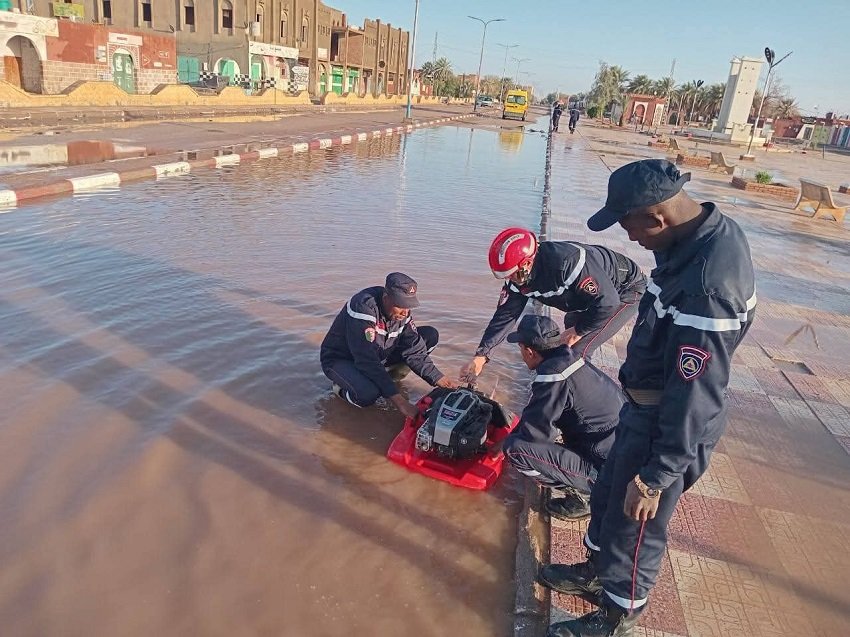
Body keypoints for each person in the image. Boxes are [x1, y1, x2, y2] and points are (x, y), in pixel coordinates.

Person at [541, 159, 756, 637]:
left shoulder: (708, 287)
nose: (628, 237)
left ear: (656, 217)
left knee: (638, 526)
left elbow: (697, 390)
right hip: (641, 410)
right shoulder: (688, 240)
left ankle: (618, 614)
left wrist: (658, 476)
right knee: (608, 497)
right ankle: (596, 574)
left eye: (628, 224)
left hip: (668, 424)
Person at [461, 228, 646, 381]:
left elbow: (607, 303)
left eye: (512, 274)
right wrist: (481, 356)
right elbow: (504, 317)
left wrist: (578, 331)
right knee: (563, 348)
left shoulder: (566, 263)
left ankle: (589, 405)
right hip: (584, 299)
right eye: (506, 276)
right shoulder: (517, 280)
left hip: (623, 291)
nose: (510, 280)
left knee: (576, 352)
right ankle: (566, 391)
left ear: (527, 263)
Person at [501, 315, 623, 519]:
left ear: (529, 351)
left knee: (514, 450)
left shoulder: (553, 375)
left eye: (521, 348)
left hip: (607, 469)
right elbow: (538, 413)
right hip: (617, 448)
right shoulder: (569, 358)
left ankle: (585, 495)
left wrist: (503, 444)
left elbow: (536, 435)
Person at [321, 272, 458, 419]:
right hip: (344, 359)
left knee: (429, 335)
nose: (405, 313)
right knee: (368, 395)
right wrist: (401, 403)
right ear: (386, 298)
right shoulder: (362, 308)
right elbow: (366, 359)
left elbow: (414, 350)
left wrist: (439, 379)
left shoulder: (403, 313)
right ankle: (341, 389)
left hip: (379, 353)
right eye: (401, 306)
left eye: (408, 306)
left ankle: (387, 380)